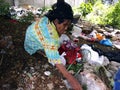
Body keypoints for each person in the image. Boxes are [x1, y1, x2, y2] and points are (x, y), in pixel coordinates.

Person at [24, 0, 82, 89]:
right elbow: (55, 60)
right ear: (56, 20)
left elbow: (54, 35)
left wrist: (59, 33)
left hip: (31, 39)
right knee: (61, 60)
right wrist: (71, 79)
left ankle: (53, 50)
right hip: (32, 48)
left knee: (64, 37)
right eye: (65, 24)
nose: (66, 28)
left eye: (68, 25)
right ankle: (46, 52)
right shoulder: (50, 37)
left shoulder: (48, 19)